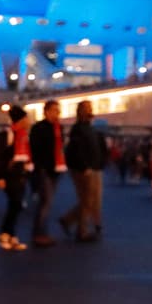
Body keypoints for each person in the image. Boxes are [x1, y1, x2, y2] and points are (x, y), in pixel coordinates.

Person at [59, 99, 106, 242]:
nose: (90, 110)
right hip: (85, 169)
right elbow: (77, 150)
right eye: (87, 108)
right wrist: (84, 165)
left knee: (93, 200)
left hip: (94, 167)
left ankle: (70, 221)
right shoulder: (78, 129)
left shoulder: (89, 128)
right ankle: (82, 230)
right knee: (88, 200)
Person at [0, 106, 31, 251]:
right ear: (20, 120)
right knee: (16, 204)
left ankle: (11, 235)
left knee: (16, 205)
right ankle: (4, 233)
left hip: (20, 175)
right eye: (26, 118)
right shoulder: (7, 135)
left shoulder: (23, 135)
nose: (29, 121)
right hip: (9, 175)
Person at [28, 99, 66, 247]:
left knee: (47, 202)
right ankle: (39, 233)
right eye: (55, 110)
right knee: (45, 202)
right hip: (45, 169)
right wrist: (42, 166)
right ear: (47, 111)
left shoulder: (57, 128)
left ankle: (41, 232)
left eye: (58, 110)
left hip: (55, 169)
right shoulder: (40, 128)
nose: (58, 113)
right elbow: (37, 149)